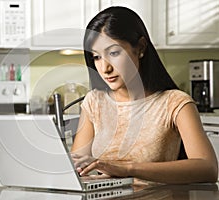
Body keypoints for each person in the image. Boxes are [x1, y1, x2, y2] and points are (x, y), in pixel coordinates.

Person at [70, 6, 218, 184]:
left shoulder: (175, 103)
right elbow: (77, 167)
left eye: (114, 53)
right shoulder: (94, 101)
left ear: (140, 48)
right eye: (96, 57)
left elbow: (208, 168)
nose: (105, 68)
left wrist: (126, 169)